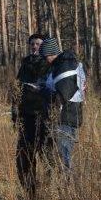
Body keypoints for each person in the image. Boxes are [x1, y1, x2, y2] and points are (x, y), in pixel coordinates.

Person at [13, 33, 52, 195]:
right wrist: (14, 114)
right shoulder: (25, 64)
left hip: (44, 118)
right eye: (32, 44)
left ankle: (53, 194)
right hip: (25, 117)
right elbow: (16, 90)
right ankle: (30, 193)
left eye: (38, 44)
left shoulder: (49, 65)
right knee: (23, 157)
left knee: (48, 157)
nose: (35, 47)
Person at [41, 36, 86, 171]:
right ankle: (64, 185)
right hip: (67, 116)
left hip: (66, 118)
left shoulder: (65, 66)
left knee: (64, 156)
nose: (44, 60)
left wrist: (41, 92)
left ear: (50, 54)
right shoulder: (63, 64)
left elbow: (62, 95)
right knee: (61, 155)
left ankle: (68, 187)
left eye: (45, 56)